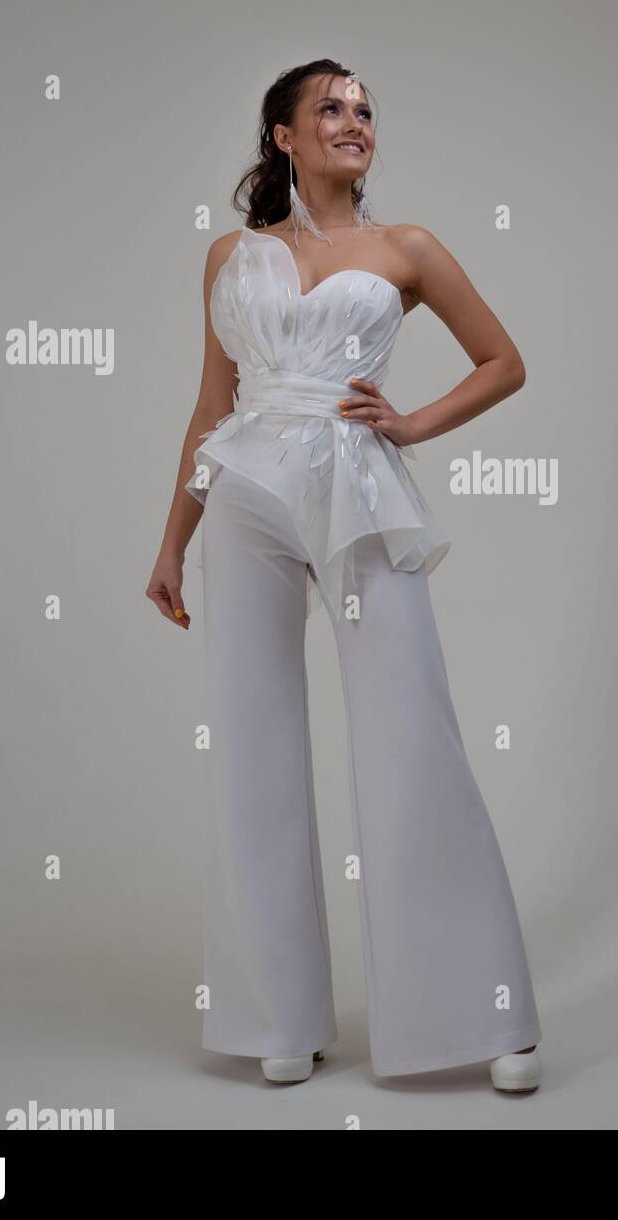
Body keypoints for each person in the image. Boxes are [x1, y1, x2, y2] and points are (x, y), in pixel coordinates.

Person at [146, 61, 542, 1092]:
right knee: (253, 744)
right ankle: (277, 1013)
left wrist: (410, 424)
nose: (353, 121)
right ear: (282, 134)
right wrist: (170, 539)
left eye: (365, 110)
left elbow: (503, 359)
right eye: (330, 107)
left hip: (357, 490)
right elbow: (210, 405)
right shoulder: (232, 255)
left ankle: (479, 1016)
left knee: (410, 732)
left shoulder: (406, 247)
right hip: (243, 496)